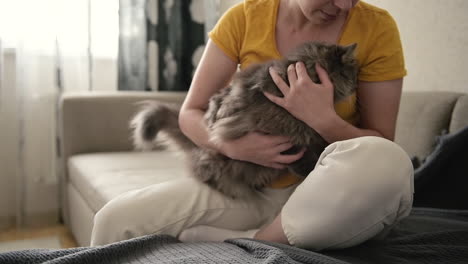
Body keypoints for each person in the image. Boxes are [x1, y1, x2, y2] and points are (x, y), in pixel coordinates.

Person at [91, 0, 414, 250]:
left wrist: (322, 119)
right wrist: (227, 144)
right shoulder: (246, 16)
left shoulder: (377, 28)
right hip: (253, 190)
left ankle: (259, 239)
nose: (344, 6)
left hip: (332, 193)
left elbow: (380, 141)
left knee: (389, 160)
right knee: (115, 220)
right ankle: (266, 234)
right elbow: (191, 111)